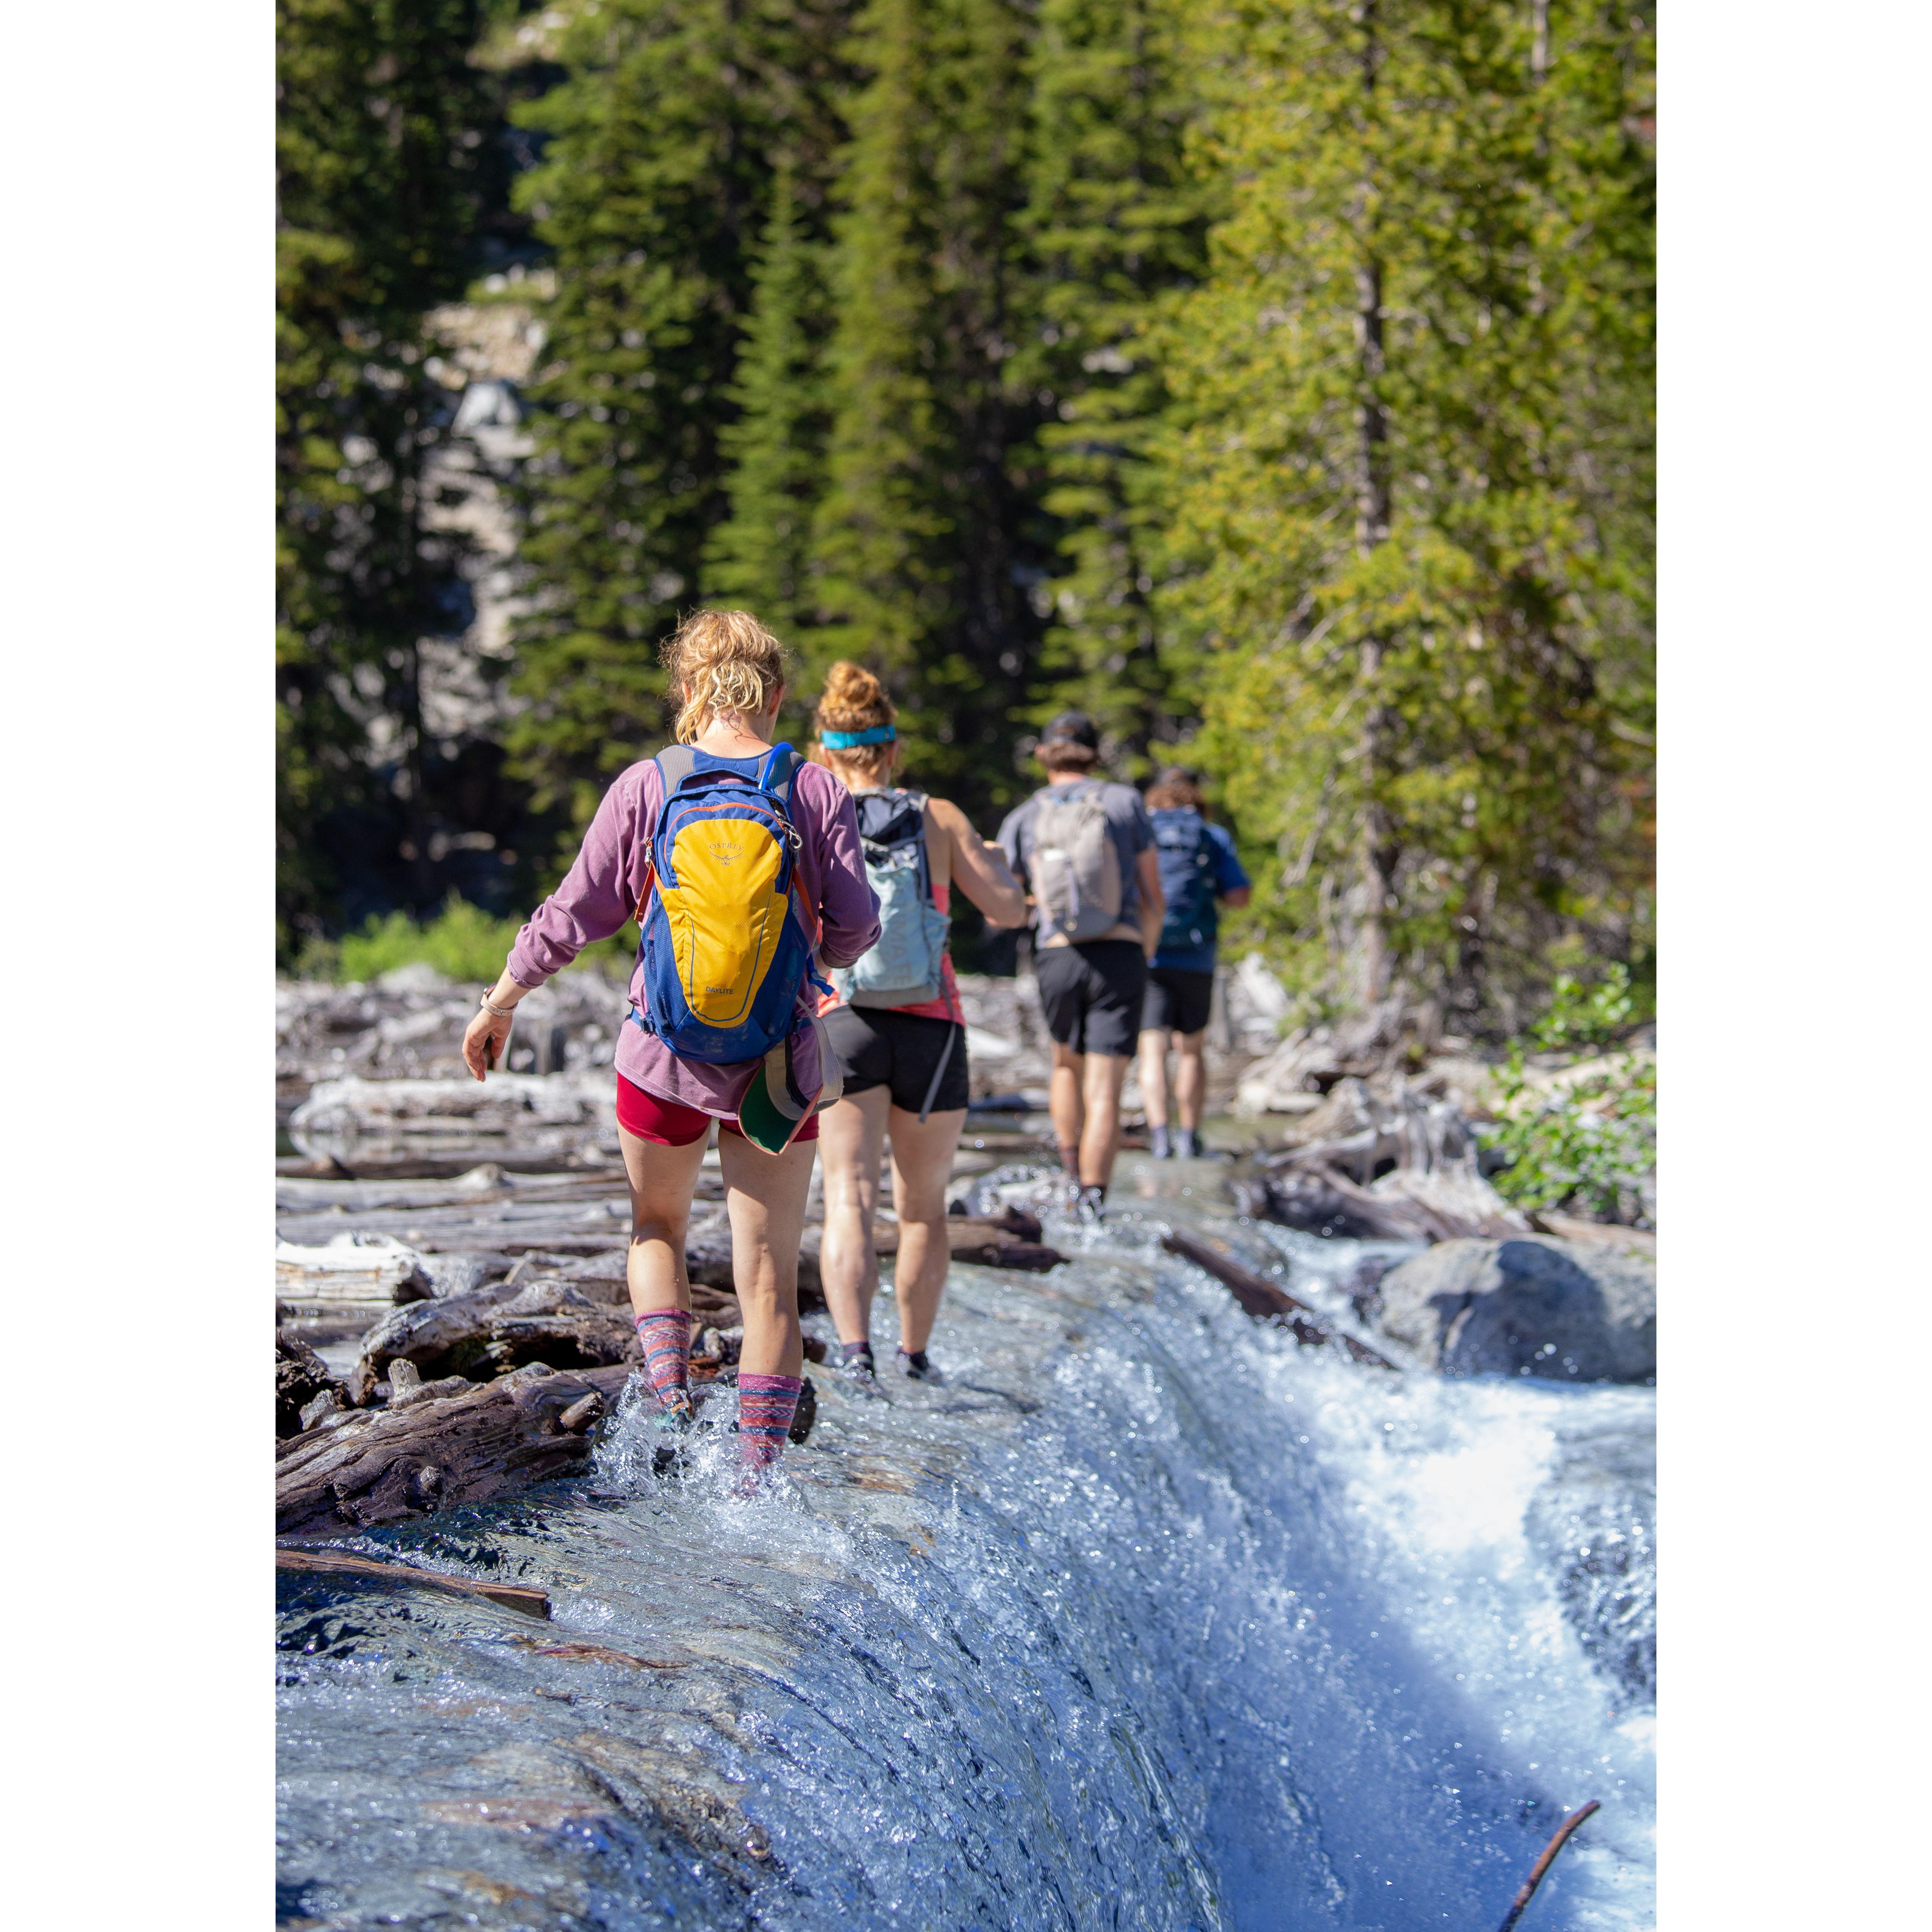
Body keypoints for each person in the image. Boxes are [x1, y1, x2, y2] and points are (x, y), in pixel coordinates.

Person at [461, 611, 880, 1492]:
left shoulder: (646, 786)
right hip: (776, 1062)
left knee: (657, 1230)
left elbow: (574, 914)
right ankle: (754, 1483)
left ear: (689, 692)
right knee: (765, 1277)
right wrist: (810, 955)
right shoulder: (812, 790)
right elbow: (857, 928)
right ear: (774, 694)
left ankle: (673, 1407)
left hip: (660, 1059)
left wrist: (502, 999)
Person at [811, 664, 1028, 1386]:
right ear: (893, 749)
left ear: (825, 749)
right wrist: (1001, 869)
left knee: (848, 1195)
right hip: (933, 1029)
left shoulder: (811, 813)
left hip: (843, 1021)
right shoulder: (938, 817)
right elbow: (1008, 911)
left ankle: (854, 1353)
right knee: (922, 1208)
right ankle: (913, 1355)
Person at [997, 712, 1164, 1219]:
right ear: (1095, 754)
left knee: (1065, 1064)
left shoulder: (1025, 815)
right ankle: (1094, 1201)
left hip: (1057, 954)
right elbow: (1153, 895)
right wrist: (1144, 951)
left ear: (1043, 755)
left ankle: (1070, 1173)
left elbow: (1004, 897)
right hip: (1119, 951)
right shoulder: (1123, 802)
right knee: (1106, 1084)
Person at [1137, 767, 1251, 1159]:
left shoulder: (1143, 831)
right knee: (1190, 1049)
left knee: (1151, 1049)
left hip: (1148, 952)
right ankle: (1189, 1135)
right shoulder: (1210, 836)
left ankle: (1158, 1134)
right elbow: (1239, 895)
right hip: (1197, 955)